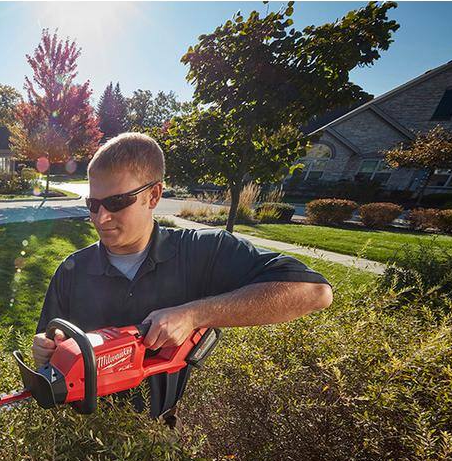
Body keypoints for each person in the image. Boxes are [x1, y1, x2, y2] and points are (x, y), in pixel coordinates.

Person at [32, 132, 333, 421]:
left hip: (163, 435)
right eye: (93, 204)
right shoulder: (72, 270)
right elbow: (49, 343)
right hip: (83, 434)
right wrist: (46, 351)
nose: (101, 217)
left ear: (153, 195)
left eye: (116, 202)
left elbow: (314, 292)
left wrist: (194, 315)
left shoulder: (202, 251)